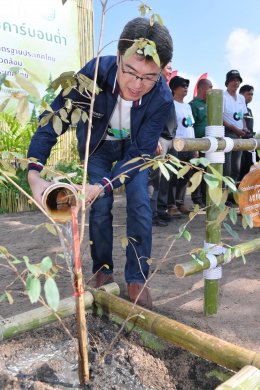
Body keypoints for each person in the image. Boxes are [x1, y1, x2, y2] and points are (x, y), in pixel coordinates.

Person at [27, 17, 173, 309]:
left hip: (133, 149)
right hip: (98, 146)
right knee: (99, 206)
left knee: (140, 204)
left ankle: (137, 277)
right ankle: (103, 270)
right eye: (130, 71)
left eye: (149, 77)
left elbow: (140, 156)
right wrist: (34, 175)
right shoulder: (92, 75)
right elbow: (53, 121)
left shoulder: (162, 99)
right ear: (118, 57)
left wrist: (104, 185)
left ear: (161, 73)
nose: (136, 84)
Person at [148, 62, 178, 227]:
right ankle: (151, 213)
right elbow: (150, 114)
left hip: (170, 139)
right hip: (159, 139)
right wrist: (153, 138)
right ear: (159, 69)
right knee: (154, 178)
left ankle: (160, 209)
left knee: (166, 178)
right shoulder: (155, 88)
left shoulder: (165, 88)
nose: (170, 71)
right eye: (168, 68)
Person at [167, 76, 196, 215]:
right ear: (174, 88)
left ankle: (180, 202)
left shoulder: (188, 106)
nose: (186, 88)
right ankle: (171, 204)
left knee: (185, 177)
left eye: (187, 85)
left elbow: (191, 126)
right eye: (182, 85)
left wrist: (195, 146)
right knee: (173, 176)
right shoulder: (170, 104)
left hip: (190, 146)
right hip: (176, 145)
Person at [189, 78, 213, 208]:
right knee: (197, 172)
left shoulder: (211, 104)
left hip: (210, 144)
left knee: (207, 172)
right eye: (210, 87)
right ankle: (196, 198)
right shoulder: (193, 104)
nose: (212, 89)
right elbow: (190, 125)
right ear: (203, 88)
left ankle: (205, 196)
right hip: (197, 144)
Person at [223, 70, 249, 183]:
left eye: (238, 80)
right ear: (227, 82)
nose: (236, 83)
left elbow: (242, 116)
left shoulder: (241, 98)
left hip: (239, 136)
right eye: (233, 80)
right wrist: (235, 129)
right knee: (227, 169)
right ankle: (223, 195)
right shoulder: (222, 96)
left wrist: (245, 128)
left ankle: (231, 195)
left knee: (236, 168)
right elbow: (220, 119)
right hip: (227, 134)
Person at [238, 84, 258, 180]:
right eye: (248, 94)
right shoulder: (236, 108)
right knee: (238, 168)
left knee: (248, 168)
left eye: (252, 94)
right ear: (241, 95)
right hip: (240, 144)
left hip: (250, 144)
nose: (250, 96)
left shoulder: (249, 110)